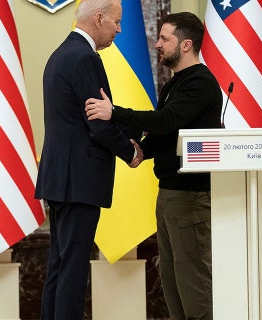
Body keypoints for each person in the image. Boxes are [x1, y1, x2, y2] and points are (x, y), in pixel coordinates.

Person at [85, 12, 222, 320]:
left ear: (186, 45)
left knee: (194, 284)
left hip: (190, 197)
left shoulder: (199, 82)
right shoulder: (179, 82)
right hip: (171, 194)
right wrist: (141, 153)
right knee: (173, 283)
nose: (158, 44)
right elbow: (167, 134)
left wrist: (114, 113)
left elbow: (165, 121)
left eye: (164, 38)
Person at [34, 0, 143, 319]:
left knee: (60, 266)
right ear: (99, 18)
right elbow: (97, 124)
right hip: (78, 181)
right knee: (73, 269)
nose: (120, 30)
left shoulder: (61, 54)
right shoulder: (85, 58)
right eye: (117, 22)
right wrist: (130, 150)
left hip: (61, 179)